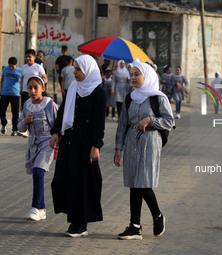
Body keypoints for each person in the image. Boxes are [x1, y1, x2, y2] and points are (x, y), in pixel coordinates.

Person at [114, 62, 174, 240]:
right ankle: (135, 226)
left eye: (137, 74)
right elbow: (123, 123)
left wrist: (150, 120)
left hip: (150, 142)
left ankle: (157, 215)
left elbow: (169, 122)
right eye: (131, 74)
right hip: (131, 142)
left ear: (146, 76)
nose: (132, 77)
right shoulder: (130, 98)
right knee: (134, 184)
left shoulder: (158, 98)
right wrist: (118, 148)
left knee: (143, 182)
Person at [49, 55, 106, 237]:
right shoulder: (73, 88)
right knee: (64, 180)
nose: (75, 73)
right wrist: (56, 132)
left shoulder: (98, 93)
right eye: (74, 69)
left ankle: (80, 223)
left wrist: (96, 145)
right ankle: (75, 220)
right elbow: (63, 112)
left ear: (88, 70)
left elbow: (99, 123)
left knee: (82, 182)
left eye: (78, 70)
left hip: (86, 144)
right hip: (69, 141)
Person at [17, 76, 58, 221]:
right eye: (30, 88)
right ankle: (41, 208)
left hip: (47, 142)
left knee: (38, 171)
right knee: (36, 172)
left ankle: (35, 207)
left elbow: (59, 123)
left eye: (36, 87)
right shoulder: (27, 105)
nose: (33, 91)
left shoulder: (49, 104)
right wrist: (25, 121)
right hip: (33, 144)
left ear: (43, 89)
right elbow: (20, 127)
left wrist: (58, 138)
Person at [0, 57, 23, 136]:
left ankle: (15, 129)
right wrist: (1, 88)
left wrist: (21, 89)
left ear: (16, 64)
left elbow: (23, 80)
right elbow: (2, 78)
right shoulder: (5, 69)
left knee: (15, 112)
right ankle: (4, 124)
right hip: (5, 93)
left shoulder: (20, 71)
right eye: (9, 66)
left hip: (15, 94)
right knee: (2, 110)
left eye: (12, 66)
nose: (11, 68)